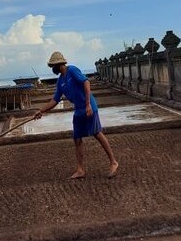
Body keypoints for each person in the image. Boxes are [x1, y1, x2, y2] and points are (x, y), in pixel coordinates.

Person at [34, 51, 119, 179]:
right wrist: (41, 111)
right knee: (77, 139)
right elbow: (55, 100)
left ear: (59, 64)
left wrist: (88, 104)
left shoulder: (72, 70)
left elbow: (86, 82)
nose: (52, 69)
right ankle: (80, 170)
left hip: (88, 107)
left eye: (53, 67)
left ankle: (113, 162)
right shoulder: (60, 81)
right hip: (79, 110)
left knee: (97, 133)